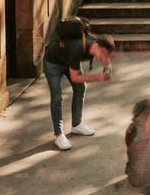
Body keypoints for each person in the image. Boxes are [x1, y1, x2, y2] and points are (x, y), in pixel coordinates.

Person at [42, 12, 113, 150]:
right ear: (98, 48)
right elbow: (75, 77)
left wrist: (108, 65)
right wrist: (97, 78)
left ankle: (77, 125)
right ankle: (59, 135)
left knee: (80, 88)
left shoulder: (95, 44)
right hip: (53, 63)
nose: (103, 57)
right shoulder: (78, 47)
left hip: (68, 60)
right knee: (57, 96)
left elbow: (105, 56)